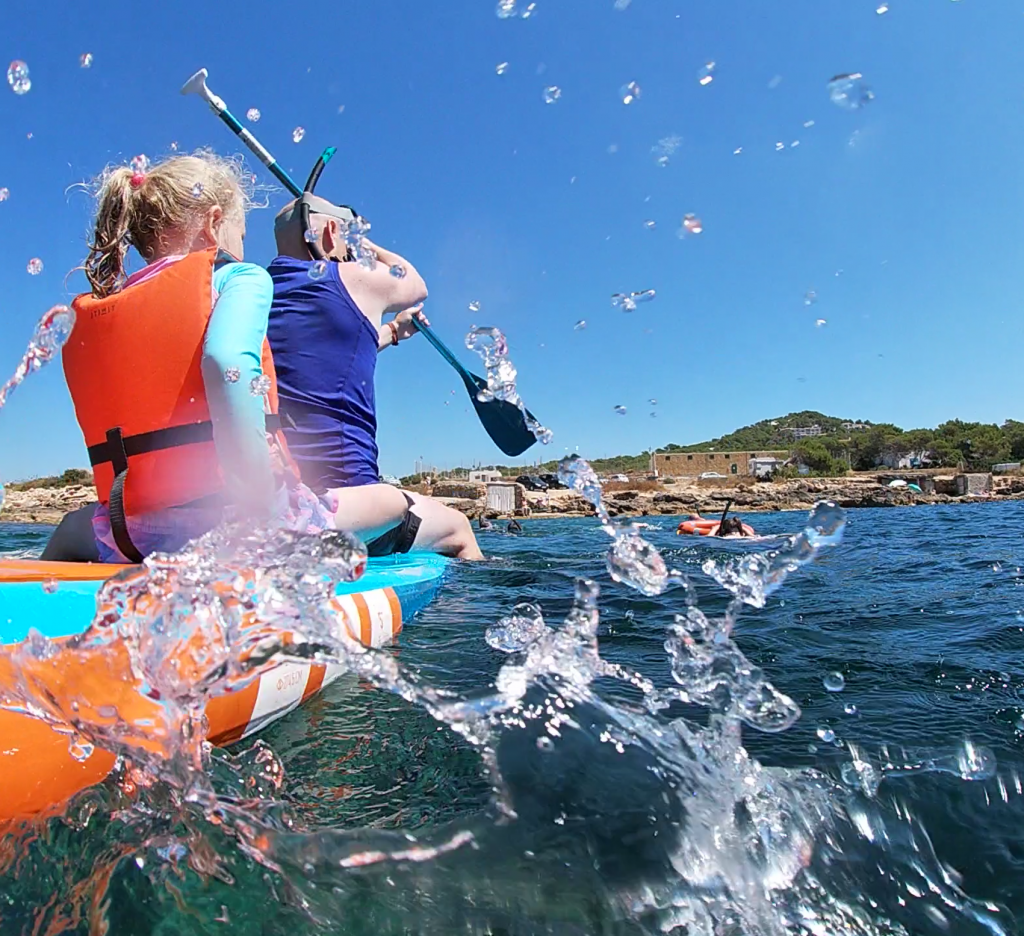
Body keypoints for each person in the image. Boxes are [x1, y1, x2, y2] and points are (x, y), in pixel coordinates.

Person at [45, 151, 333, 563]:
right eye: (242, 233)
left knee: (72, 527)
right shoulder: (240, 278)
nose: (242, 246)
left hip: (128, 537)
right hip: (231, 527)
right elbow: (225, 363)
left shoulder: (110, 304)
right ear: (215, 223)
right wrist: (258, 503)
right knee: (391, 506)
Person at [267, 195, 482, 560]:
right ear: (333, 232)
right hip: (356, 508)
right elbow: (414, 283)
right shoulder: (352, 276)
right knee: (459, 528)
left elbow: (324, 360)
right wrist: (363, 243)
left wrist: (392, 333)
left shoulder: (256, 292)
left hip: (283, 501)